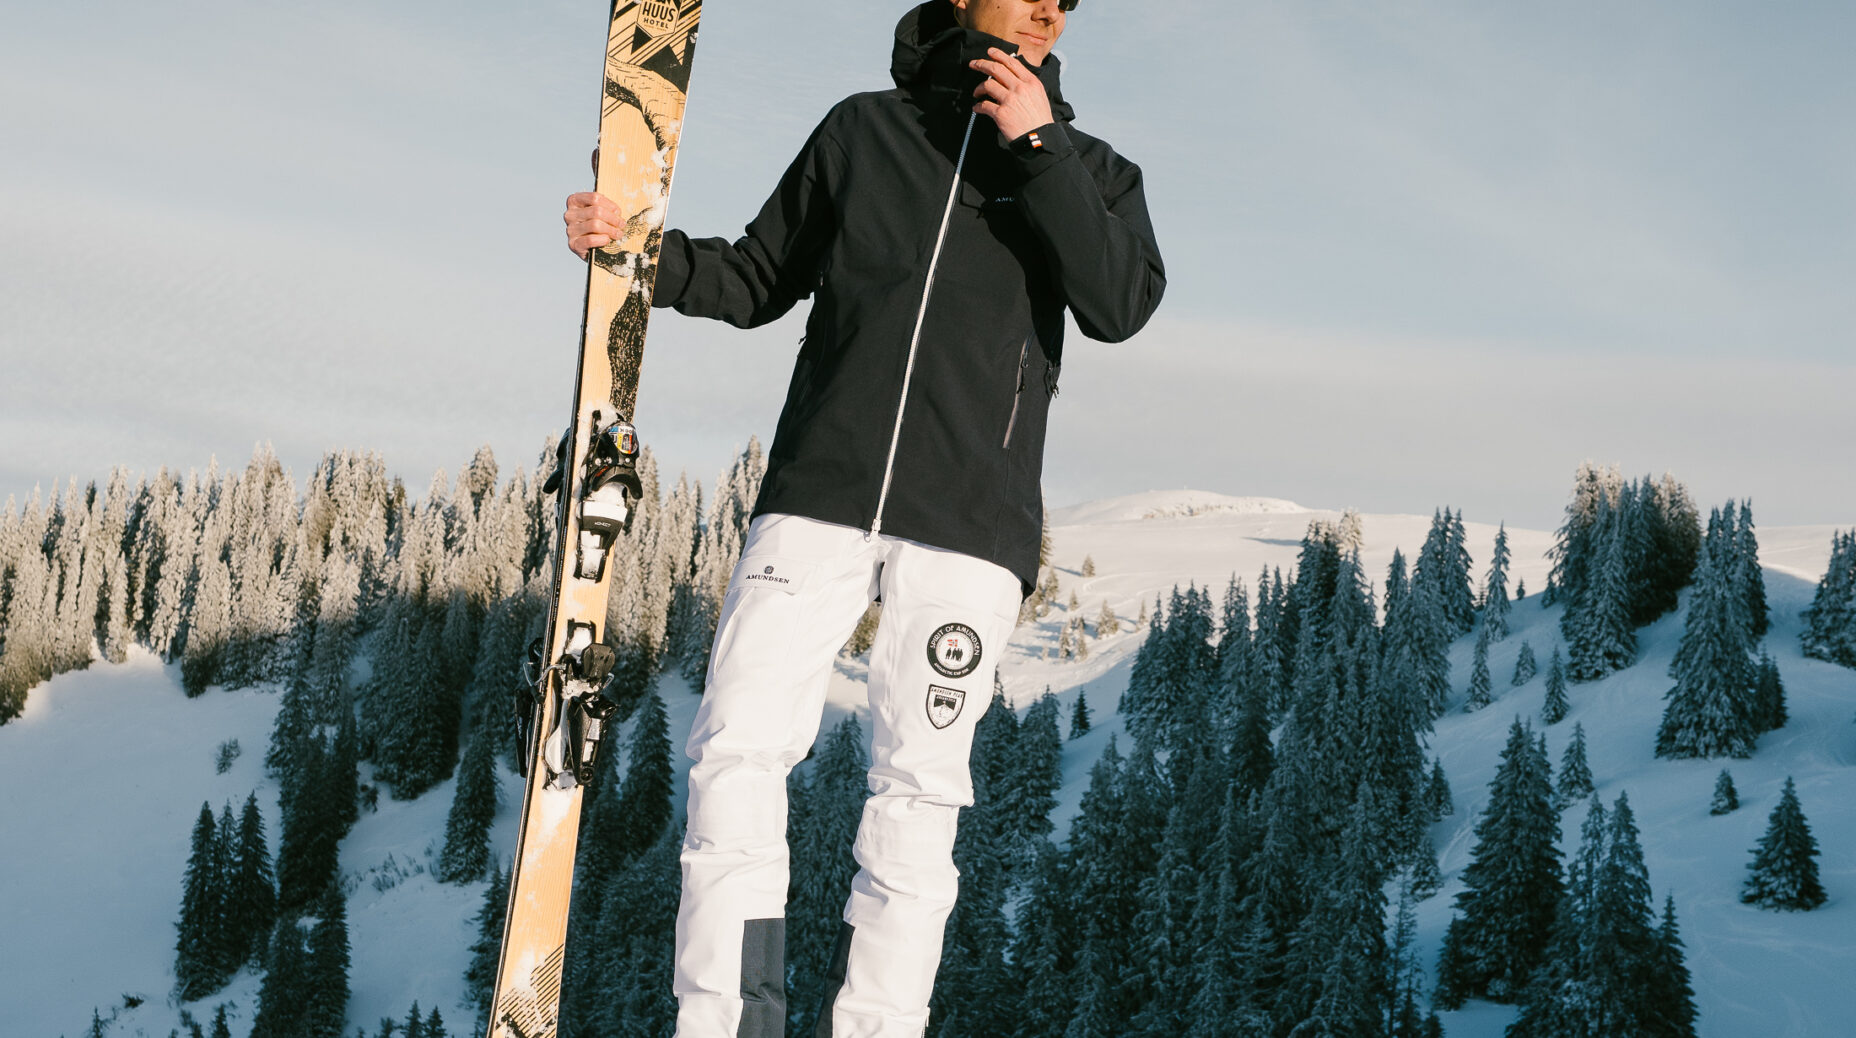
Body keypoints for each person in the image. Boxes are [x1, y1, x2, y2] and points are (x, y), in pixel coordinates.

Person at [563, 1, 1163, 1035]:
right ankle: (729, 1017)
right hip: (821, 497)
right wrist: (636, 254)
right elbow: (758, 276)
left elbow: (1119, 303)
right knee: (736, 751)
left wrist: (1040, 149)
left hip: (970, 524)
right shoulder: (863, 131)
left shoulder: (1093, 171)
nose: (1050, 6)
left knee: (917, 795)